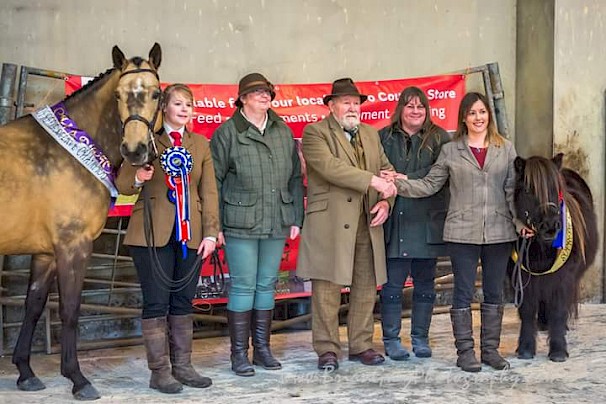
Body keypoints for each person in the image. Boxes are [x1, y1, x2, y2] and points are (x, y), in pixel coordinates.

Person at [391, 92, 525, 372]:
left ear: (489, 115)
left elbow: (512, 190)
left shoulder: (506, 149)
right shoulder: (451, 150)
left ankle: (490, 350)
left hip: (500, 231)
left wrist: (520, 222)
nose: (479, 118)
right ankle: (465, 352)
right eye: (473, 113)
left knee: (494, 293)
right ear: (464, 118)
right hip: (462, 231)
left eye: (482, 112)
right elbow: (430, 184)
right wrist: (399, 184)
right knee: (462, 293)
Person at [116, 83, 220, 393]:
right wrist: (138, 176)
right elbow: (123, 183)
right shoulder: (147, 140)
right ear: (164, 108)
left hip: (191, 234)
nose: (185, 109)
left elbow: (210, 192)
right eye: (178, 104)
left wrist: (212, 233)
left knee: (183, 300)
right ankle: (159, 371)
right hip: (151, 234)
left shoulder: (201, 144)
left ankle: (183, 367)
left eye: (189, 104)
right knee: (157, 301)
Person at [297, 78, 397, 372]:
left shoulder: (370, 134)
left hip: (367, 219)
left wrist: (385, 202)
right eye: (346, 102)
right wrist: (372, 180)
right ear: (331, 106)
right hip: (330, 222)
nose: (353, 108)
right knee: (327, 287)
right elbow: (330, 168)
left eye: (356, 103)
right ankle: (327, 349)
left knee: (366, 285)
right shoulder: (314, 132)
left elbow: (386, 169)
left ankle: (361, 345)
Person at [210, 73, 304, 377]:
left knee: (267, 285)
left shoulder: (282, 131)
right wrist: (216, 225)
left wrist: (295, 217)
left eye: (268, 92)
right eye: (258, 92)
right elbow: (214, 181)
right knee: (243, 285)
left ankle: (262, 349)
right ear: (243, 98)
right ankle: (239, 354)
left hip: (277, 219)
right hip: (239, 222)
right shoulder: (228, 132)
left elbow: (294, 177)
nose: (265, 96)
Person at [378, 87, 451, 360]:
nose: (416, 111)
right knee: (393, 286)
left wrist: (404, 177)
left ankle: (420, 338)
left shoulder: (440, 138)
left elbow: (440, 174)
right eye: (410, 106)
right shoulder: (383, 137)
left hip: (427, 221)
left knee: (425, 285)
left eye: (421, 107)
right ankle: (391, 339)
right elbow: (375, 170)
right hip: (395, 221)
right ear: (400, 109)